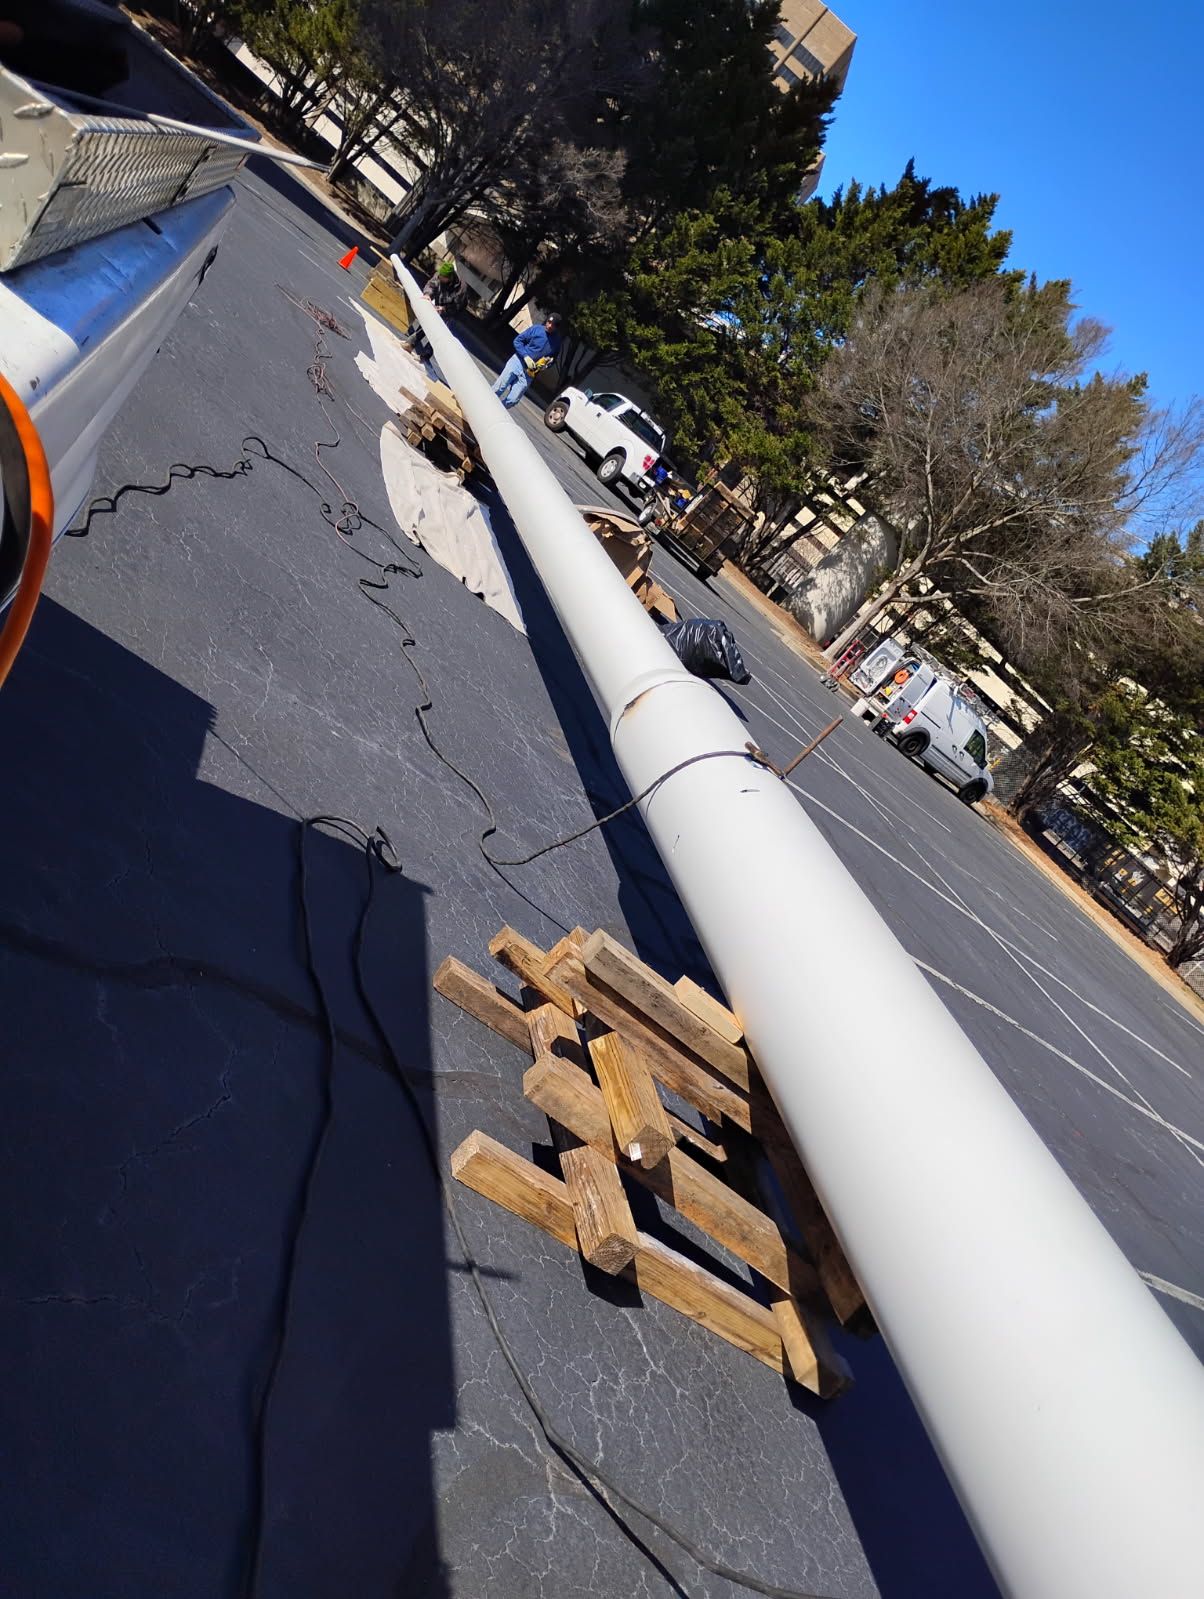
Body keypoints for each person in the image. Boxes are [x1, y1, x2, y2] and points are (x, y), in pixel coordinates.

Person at [403, 259, 467, 363]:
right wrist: (428, 294)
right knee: (427, 322)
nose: (440, 278)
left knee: (438, 333)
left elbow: (457, 306)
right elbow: (431, 285)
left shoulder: (461, 288)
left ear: (450, 278)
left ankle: (424, 356)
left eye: (443, 278)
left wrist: (444, 309)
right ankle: (410, 344)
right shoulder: (439, 275)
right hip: (439, 302)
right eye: (440, 276)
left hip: (452, 312)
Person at [492, 313, 562, 409]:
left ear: (557, 327)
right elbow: (517, 341)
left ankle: (496, 412)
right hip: (517, 362)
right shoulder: (536, 329)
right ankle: (484, 408)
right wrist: (525, 356)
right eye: (548, 322)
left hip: (529, 373)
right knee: (498, 389)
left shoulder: (557, 342)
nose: (549, 326)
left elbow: (553, 359)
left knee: (513, 400)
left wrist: (546, 366)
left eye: (553, 325)